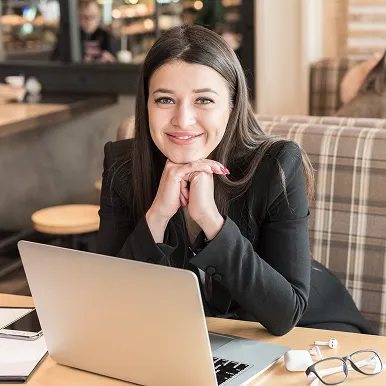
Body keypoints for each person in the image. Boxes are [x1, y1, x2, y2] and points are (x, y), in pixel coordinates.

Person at [97, 25, 373, 336]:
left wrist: (211, 221)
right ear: (145, 104)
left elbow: (285, 314)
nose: (183, 119)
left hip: (313, 333)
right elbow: (109, 300)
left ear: (232, 104)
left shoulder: (276, 164)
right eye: (164, 100)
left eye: (203, 100)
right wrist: (157, 215)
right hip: (207, 342)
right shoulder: (122, 165)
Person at [51, 0, 117, 63]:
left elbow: (116, 61)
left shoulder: (106, 36)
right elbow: (55, 61)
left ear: (99, 17)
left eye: (93, 16)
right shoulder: (69, 37)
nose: (89, 21)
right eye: (84, 17)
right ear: (77, 17)